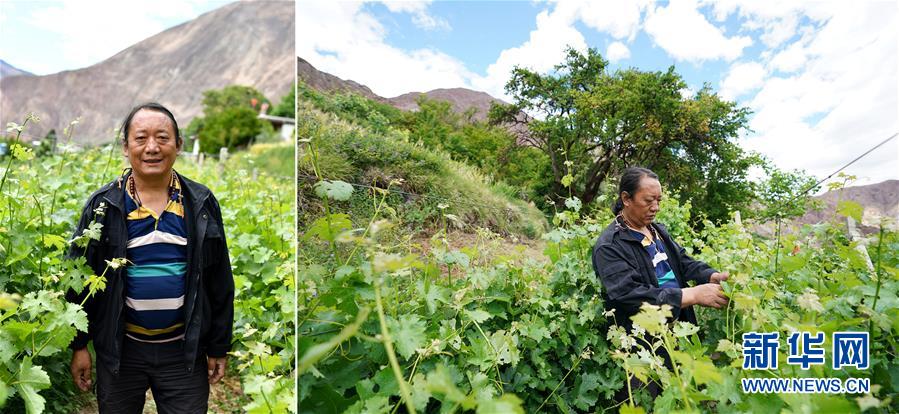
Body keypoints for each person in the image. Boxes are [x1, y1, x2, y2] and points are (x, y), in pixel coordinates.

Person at [65, 102, 234, 413]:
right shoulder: (104, 206)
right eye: (141, 138)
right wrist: (79, 345)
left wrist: (219, 346)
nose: (152, 148)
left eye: (163, 138)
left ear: (179, 145)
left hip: (183, 351)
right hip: (121, 352)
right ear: (126, 147)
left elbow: (219, 278)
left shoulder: (201, 202)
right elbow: (80, 276)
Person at [591, 167, 728, 397]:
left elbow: (682, 262)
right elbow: (629, 294)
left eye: (658, 200)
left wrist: (711, 276)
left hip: (678, 328)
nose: (655, 207)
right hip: (644, 344)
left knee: (684, 394)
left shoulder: (657, 230)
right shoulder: (610, 246)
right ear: (626, 198)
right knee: (650, 398)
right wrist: (693, 295)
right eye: (648, 201)